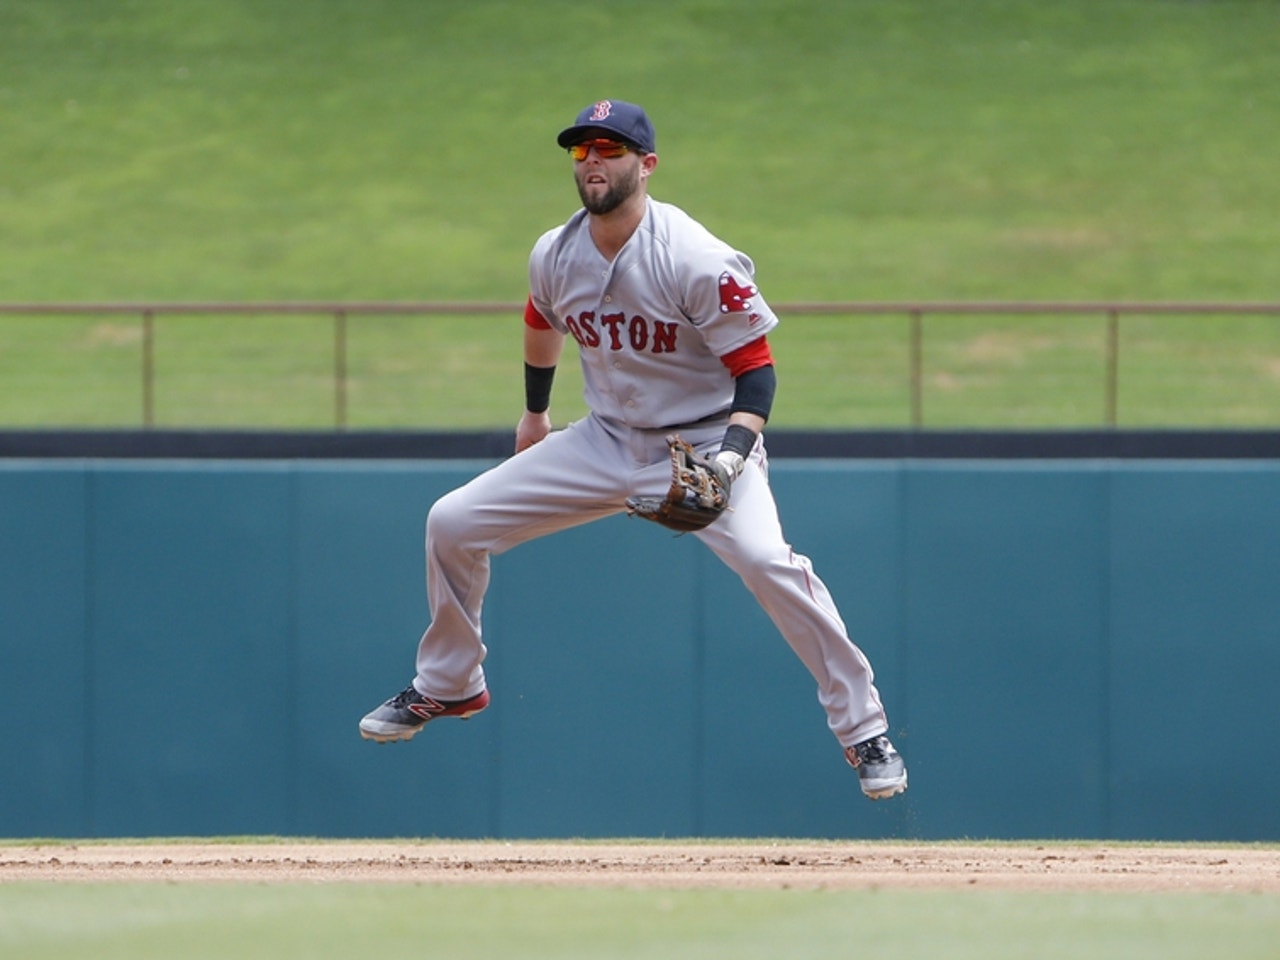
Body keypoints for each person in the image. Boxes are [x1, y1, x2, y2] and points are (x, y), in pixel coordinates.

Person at [359, 99, 908, 801]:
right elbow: (541, 320)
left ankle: (864, 731)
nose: (593, 160)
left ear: (645, 166)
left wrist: (732, 459)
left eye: (610, 149)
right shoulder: (555, 252)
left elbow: (757, 371)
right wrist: (534, 415)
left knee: (772, 564)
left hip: (706, 438)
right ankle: (450, 684)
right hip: (602, 439)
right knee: (453, 523)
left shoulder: (696, 259)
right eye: (581, 150)